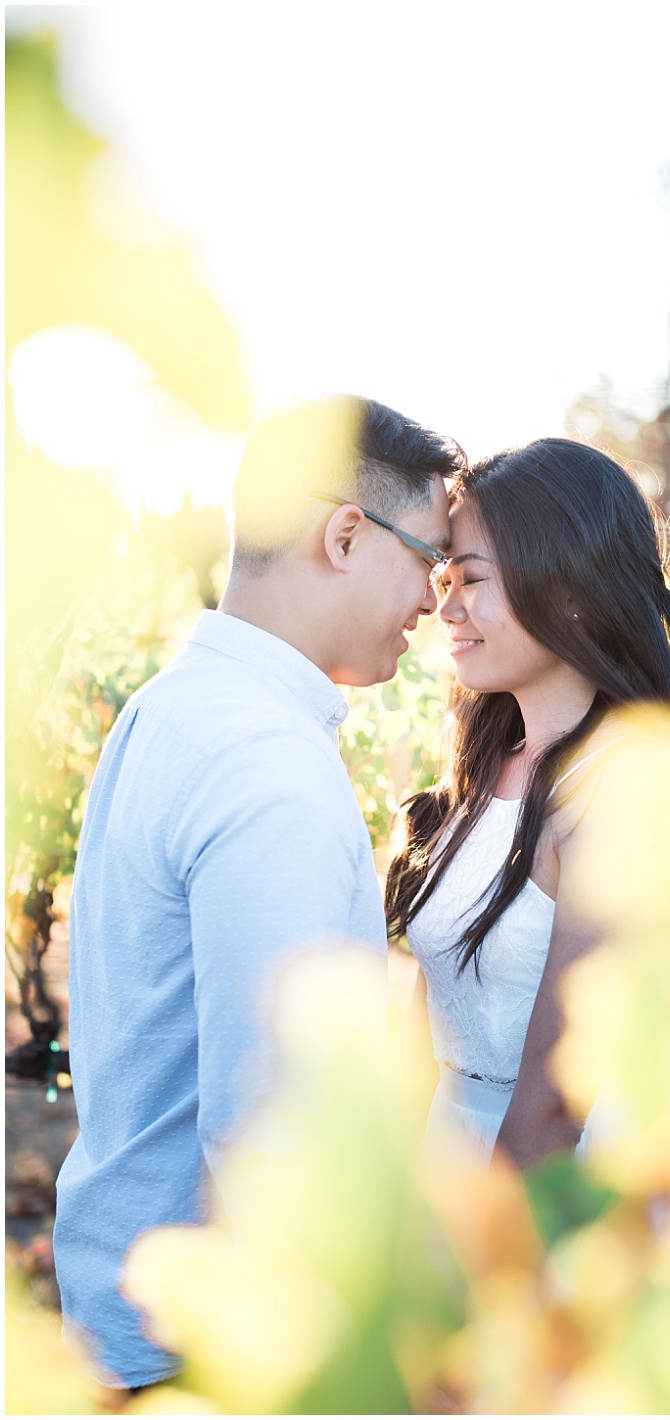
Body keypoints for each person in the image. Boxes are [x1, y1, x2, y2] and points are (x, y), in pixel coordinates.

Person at [53, 394, 466, 1391]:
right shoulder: (265, 766)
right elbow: (272, 1128)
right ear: (344, 535)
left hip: (123, 1306)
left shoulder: (169, 708)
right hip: (210, 1352)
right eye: (429, 559)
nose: (435, 600)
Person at [386, 437, 670, 1171]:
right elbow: (427, 1025)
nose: (444, 606)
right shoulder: (483, 766)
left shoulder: (626, 784)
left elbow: (556, 1102)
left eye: (471, 579)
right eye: (443, 578)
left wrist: (487, 1233)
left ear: (570, 590)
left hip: (543, 1181)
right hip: (444, 1160)